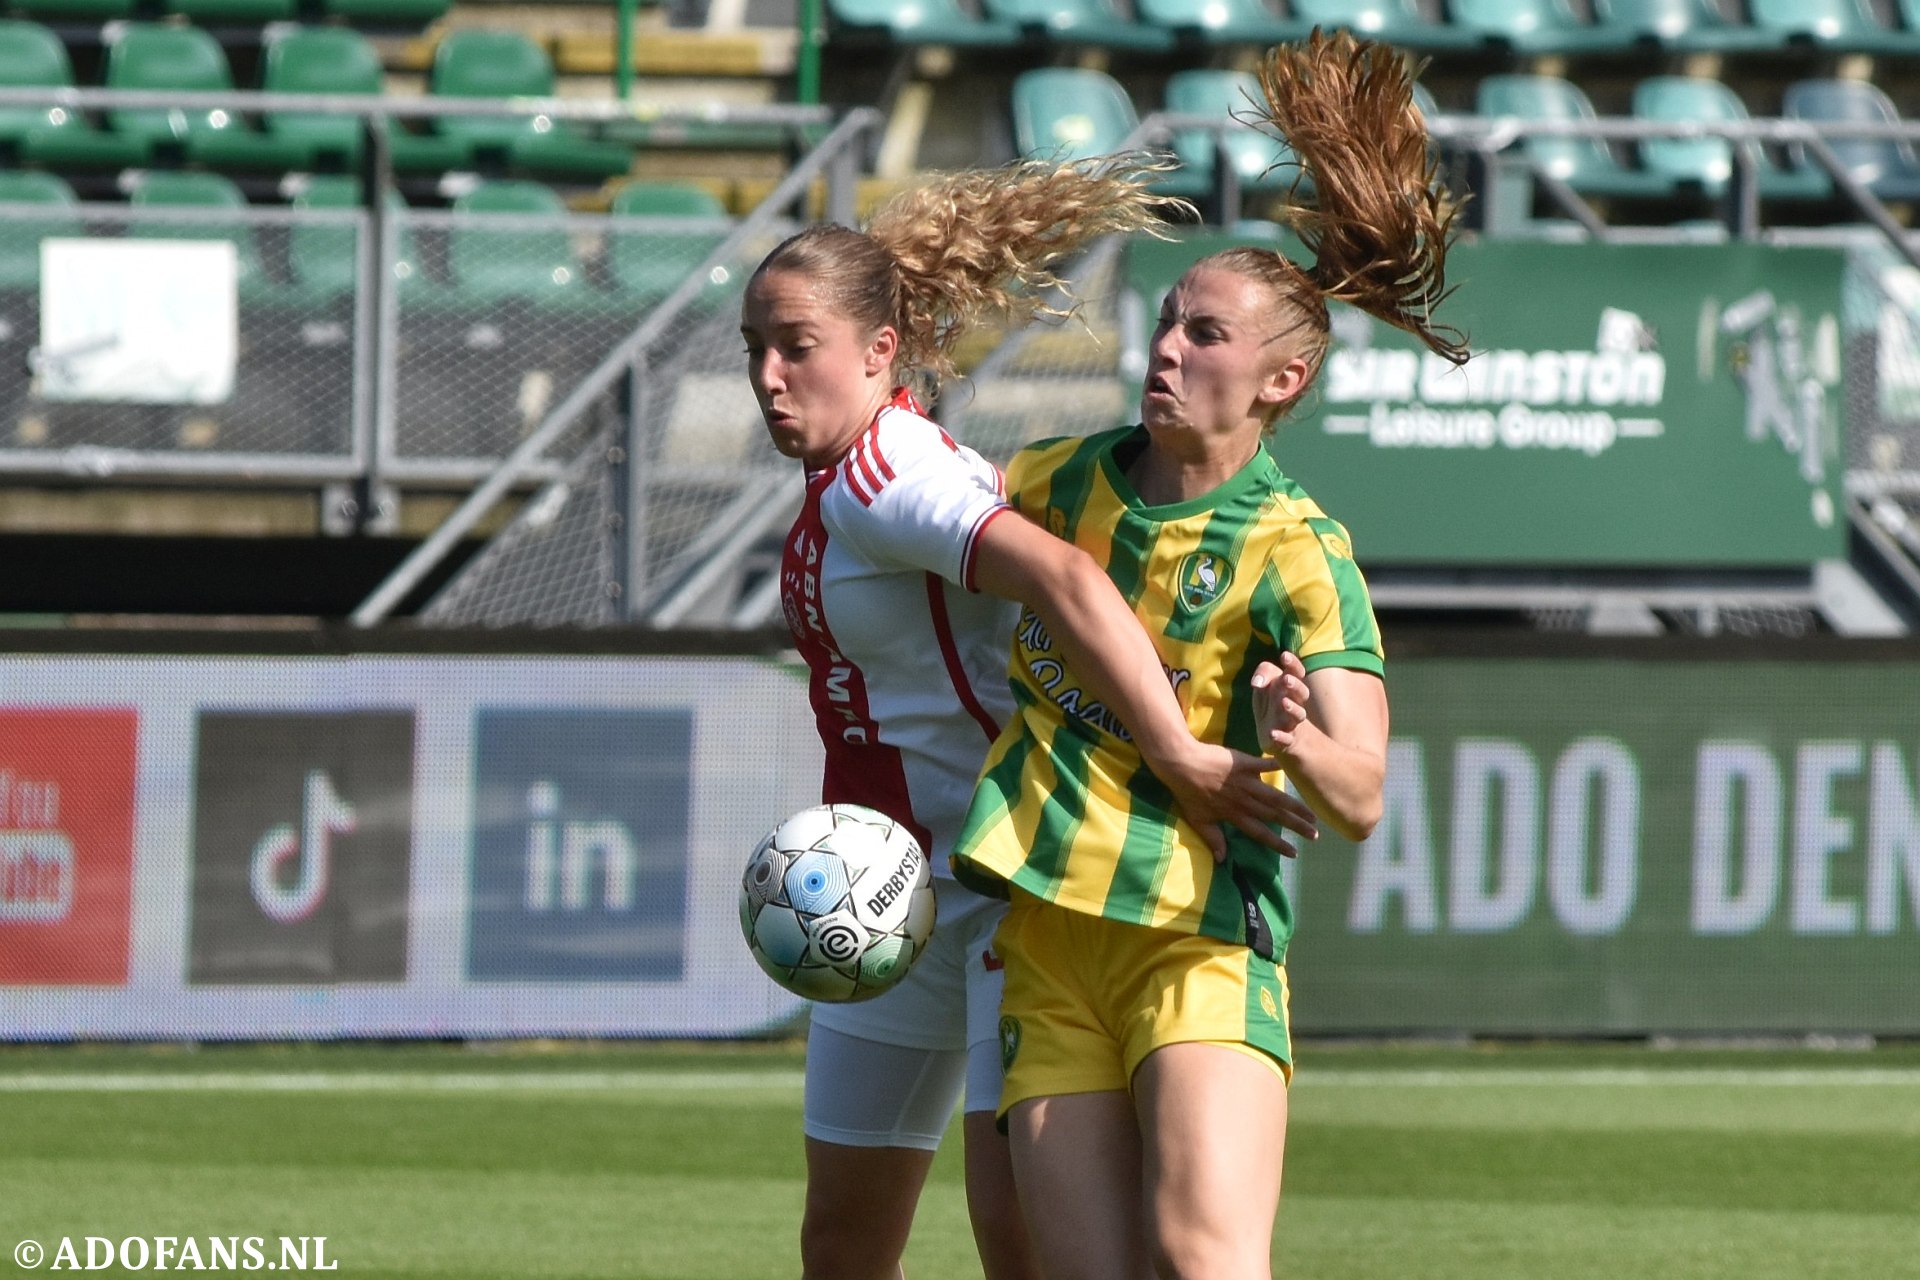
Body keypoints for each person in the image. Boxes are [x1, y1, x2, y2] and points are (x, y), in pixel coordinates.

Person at [741, 157, 1321, 1280]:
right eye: (754, 346)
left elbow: (1066, 576)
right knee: (842, 1243)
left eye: (794, 346)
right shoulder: (857, 472)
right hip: (890, 895)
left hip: (1004, 886)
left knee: (1030, 1246)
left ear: (878, 353)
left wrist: (1182, 754)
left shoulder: (890, 475)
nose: (767, 375)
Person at [951, 31, 1470, 1280]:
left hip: (1199, 937)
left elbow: (1360, 797)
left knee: (1202, 1258)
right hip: (1050, 932)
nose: (1169, 347)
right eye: (1170, 322)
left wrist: (1299, 741)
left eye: (1208, 336)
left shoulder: (1299, 549)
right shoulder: (1054, 479)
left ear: (1282, 378)